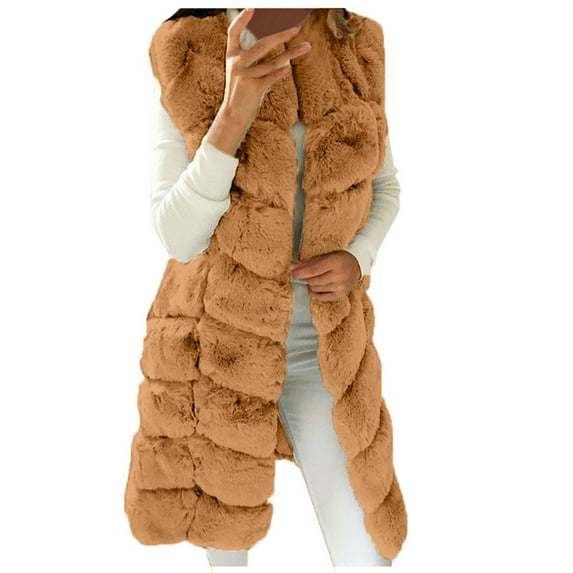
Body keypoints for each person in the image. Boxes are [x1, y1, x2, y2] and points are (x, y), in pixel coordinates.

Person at [148, 8, 401, 570]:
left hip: (324, 352)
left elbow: (385, 185)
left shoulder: (356, 42)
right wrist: (235, 107)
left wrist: (358, 258)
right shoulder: (188, 47)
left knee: (365, 555)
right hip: (219, 353)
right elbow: (178, 236)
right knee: (227, 548)